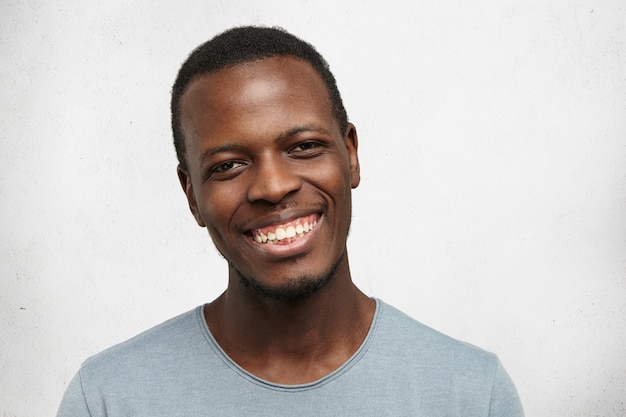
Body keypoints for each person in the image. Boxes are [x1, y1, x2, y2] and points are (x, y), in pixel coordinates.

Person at [57, 26, 524, 416]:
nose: (273, 186)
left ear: (351, 154)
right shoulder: (107, 400)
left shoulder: (471, 393)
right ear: (191, 196)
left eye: (303, 147)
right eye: (228, 165)